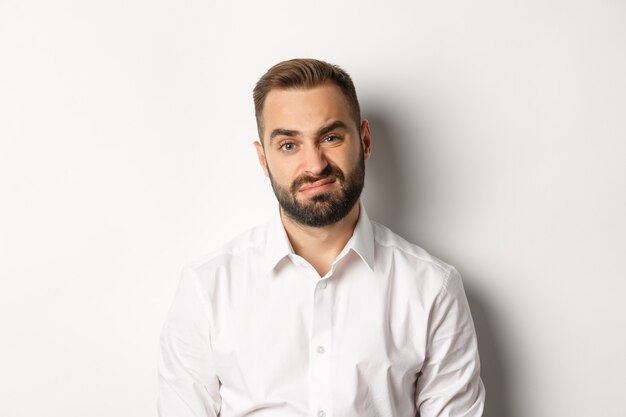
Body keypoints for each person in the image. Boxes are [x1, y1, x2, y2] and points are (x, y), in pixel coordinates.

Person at [158, 58, 485, 417]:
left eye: (330, 138)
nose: (314, 165)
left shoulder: (432, 288)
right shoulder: (207, 288)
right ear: (263, 159)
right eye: (288, 145)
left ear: (364, 139)